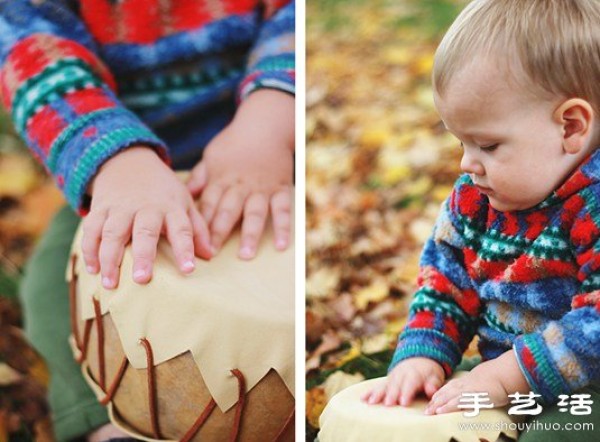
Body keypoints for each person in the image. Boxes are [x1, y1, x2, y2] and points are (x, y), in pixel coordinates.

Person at [0, 0, 294, 440]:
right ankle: (103, 424)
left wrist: (270, 117)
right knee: (47, 284)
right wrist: (116, 159)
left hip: (261, 160)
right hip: (116, 172)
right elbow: (31, 53)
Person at [361, 0, 600, 439]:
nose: (467, 163)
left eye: (487, 145)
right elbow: (446, 287)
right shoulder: (474, 200)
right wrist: (424, 354)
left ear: (570, 127)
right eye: (460, 142)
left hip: (587, 387)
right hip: (503, 375)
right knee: (408, 407)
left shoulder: (593, 207)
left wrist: (505, 378)